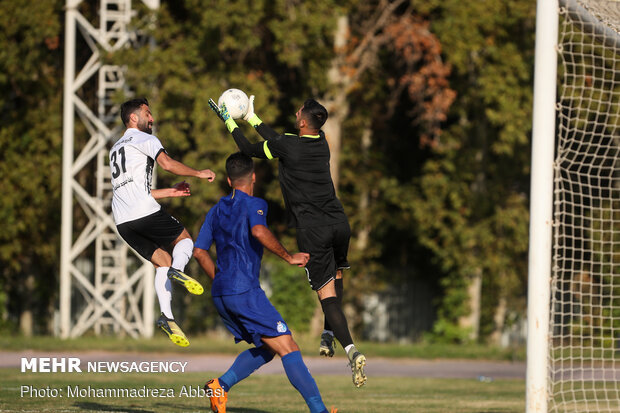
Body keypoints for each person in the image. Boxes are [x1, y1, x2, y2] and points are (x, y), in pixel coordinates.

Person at [209, 97, 367, 388]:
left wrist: (230, 121)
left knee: (326, 293)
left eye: (298, 112)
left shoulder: (289, 145)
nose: (295, 113)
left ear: (303, 121)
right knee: (338, 273)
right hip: (339, 222)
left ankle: (351, 350)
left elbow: (248, 149)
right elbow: (279, 140)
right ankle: (329, 334)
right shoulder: (321, 142)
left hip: (312, 229)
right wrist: (252, 117)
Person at [193, 152, 336, 413]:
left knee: (267, 347)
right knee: (288, 346)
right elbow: (258, 231)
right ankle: (320, 411)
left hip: (222, 293)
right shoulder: (255, 204)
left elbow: (199, 252)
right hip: (244, 291)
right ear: (254, 177)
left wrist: (221, 280)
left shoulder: (215, 211)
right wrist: (288, 256)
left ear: (228, 180)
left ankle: (221, 385)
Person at [110, 97, 215, 347]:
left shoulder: (115, 148)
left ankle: (167, 318)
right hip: (142, 212)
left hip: (123, 221)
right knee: (184, 239)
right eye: (148, 113)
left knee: (162, 262)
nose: (152, 118)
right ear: (134, 118)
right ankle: (178, 270)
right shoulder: (145, 139)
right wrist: (198, 172)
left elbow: (133, 192)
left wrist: (170, 192)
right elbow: (167, 164)